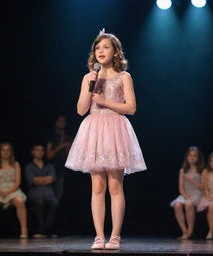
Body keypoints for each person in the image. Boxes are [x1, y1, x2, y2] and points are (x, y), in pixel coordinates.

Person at [65, 29, 147, 250]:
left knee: (115, 185)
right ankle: (99, 236)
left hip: (115, 129)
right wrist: (90, 86)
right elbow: (81, 110)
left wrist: (105, 100)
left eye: (106, 47)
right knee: (98, 186)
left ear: (115, 51)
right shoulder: (89, 77)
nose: (101, 51)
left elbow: (131, 108)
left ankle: (115, 237)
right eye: (97, 47)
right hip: (94, 129)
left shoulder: (124, 76)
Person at [0, 143, 28, 238]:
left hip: (12, 190)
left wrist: (8, 192)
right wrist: (0, 192)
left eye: (8, 150)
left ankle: (24, 229)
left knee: (20, 202)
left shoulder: (16, 164)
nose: (6, 152)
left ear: (11, 152)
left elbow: (17, 181)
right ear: (0, 152)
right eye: (3, 150)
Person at [170, 146, 204, 239]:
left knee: (189, 205)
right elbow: (181, 188)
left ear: (198, 158)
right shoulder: (183, 171)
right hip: (186, 194)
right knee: (177, 204)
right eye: (190, 155)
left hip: (197, 194)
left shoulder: (201, 170)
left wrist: (190, 179)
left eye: (195, 156)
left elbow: (203, 187)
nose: (192, 158)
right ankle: (184, 231)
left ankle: (190, 231)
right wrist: (185, 196)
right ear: (187, 157)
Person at [25, 144, 58, 238]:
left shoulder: (49, 166)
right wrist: (45, 179)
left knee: (54, 202)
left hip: (48, 193)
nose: (40, 152)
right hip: (36, 193)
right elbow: (33, 181)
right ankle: (43, 229)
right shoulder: (29, 167)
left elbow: (52, 179)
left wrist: (39, 180)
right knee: (39, 202)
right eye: (37, 150)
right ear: (32, 152)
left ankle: (43, 229)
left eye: (42, 150)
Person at [46, 115, 71, 202]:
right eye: (59, 121)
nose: (61, 123)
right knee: (55, 195)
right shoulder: (52, 137)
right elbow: (49, 156)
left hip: (68, 170)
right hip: (54, 169)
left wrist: (68, 148)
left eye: (63, 121)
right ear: (56, 123)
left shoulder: (69, 137)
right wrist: (60, 146)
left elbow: (72, 155)